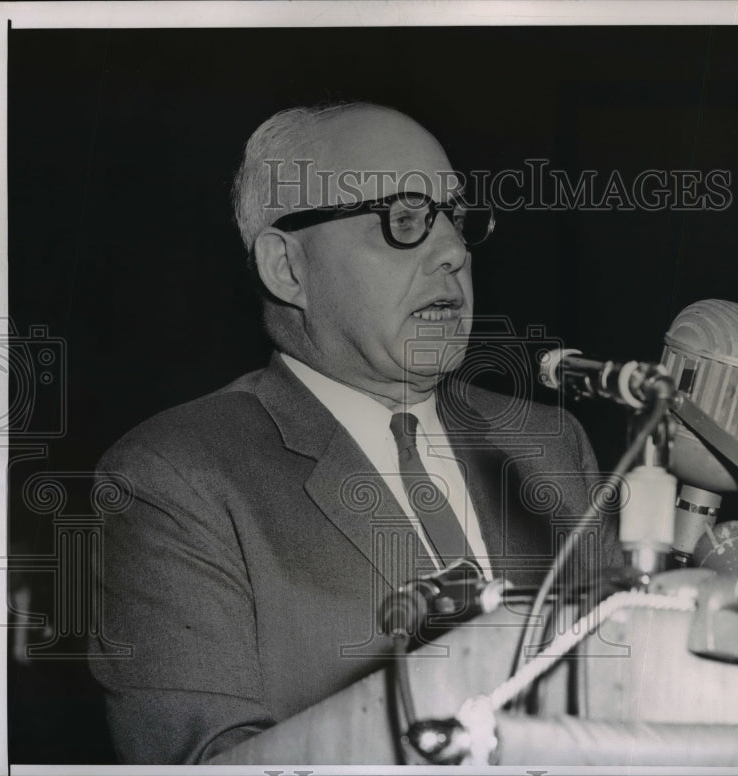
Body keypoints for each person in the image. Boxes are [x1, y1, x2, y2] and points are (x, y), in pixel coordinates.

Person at [89, 100, 621, 764]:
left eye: (455, 217)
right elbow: (211, 764)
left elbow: (630, 695)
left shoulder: (549, 444)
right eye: (404, 219)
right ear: (287, 268)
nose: (453, 252)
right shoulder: (172, 477)